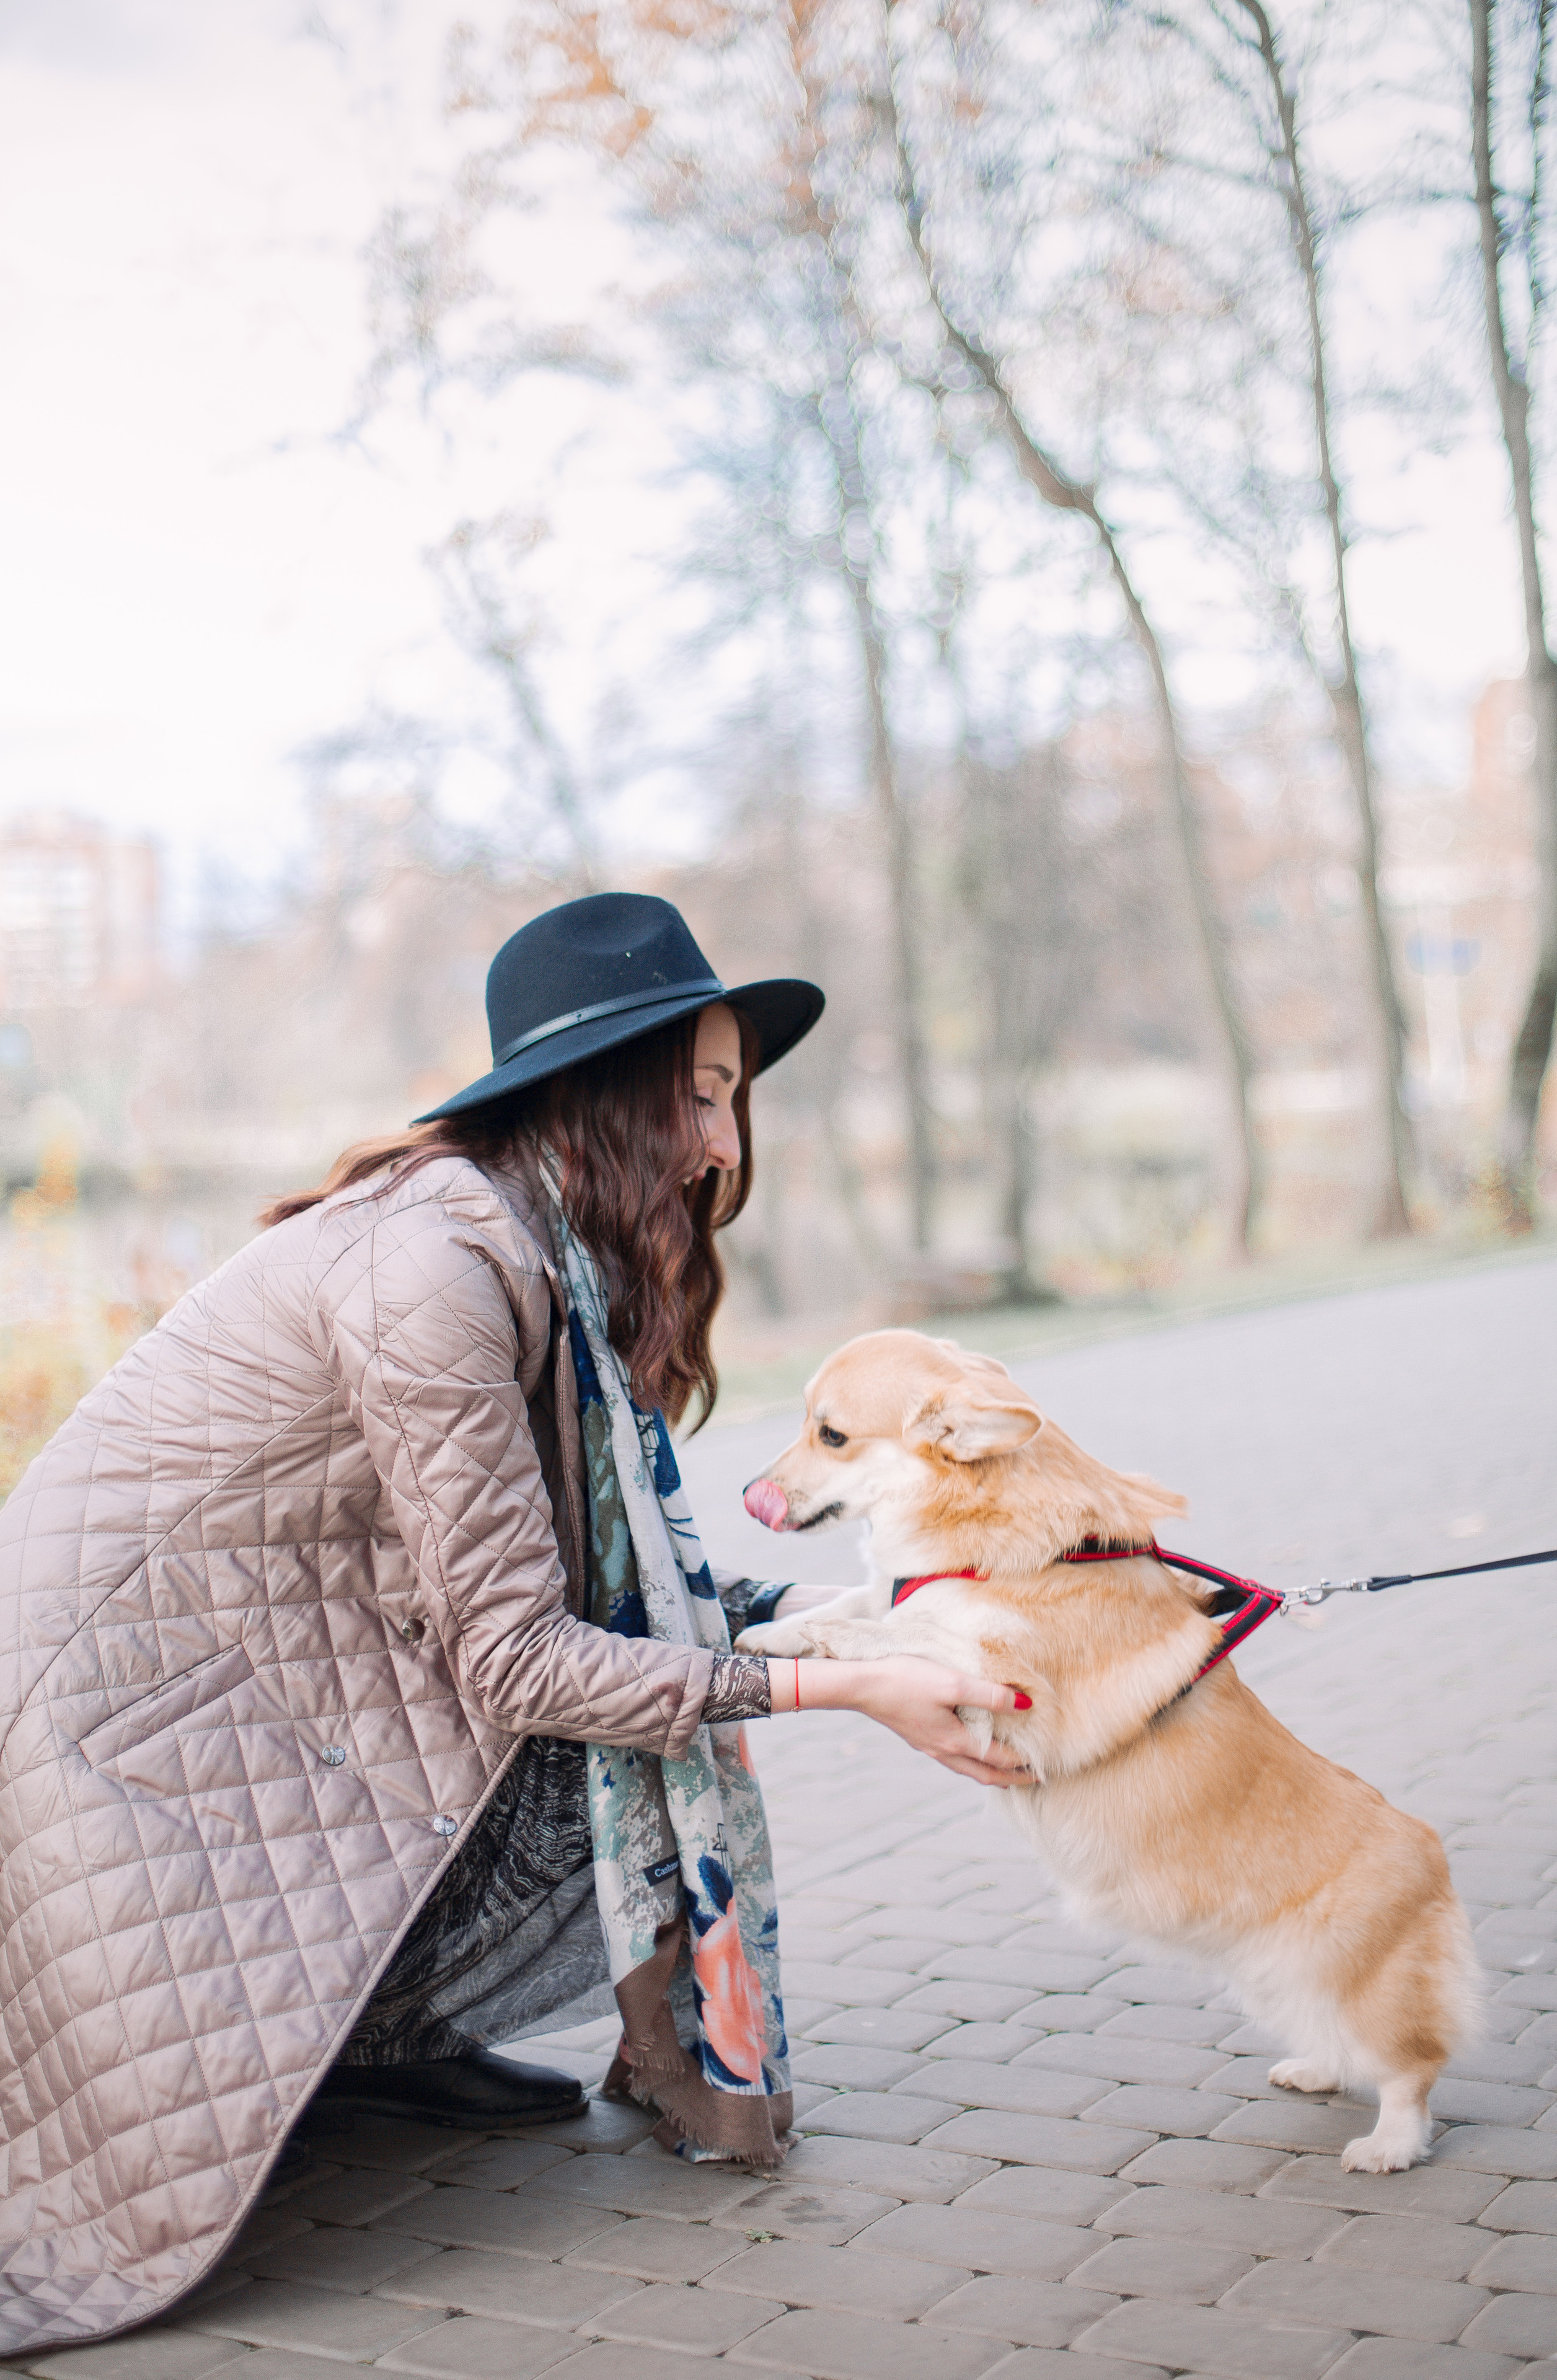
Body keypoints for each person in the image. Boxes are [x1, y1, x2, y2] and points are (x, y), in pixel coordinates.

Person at [0, 890, 1027, 2359]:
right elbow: (522, 1655)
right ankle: (356, 2044)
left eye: (733, 1099)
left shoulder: (541, 1252)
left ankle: (379, 2040)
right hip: (120, 1690)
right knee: (561, 1719)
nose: (729, 1143)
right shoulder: (433, 1270)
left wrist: (883, 1616)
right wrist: (848, 1690)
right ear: (600, 1093)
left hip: (275, 1648)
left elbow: (615, 1599)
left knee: (626, 1692)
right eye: (701, 1095)